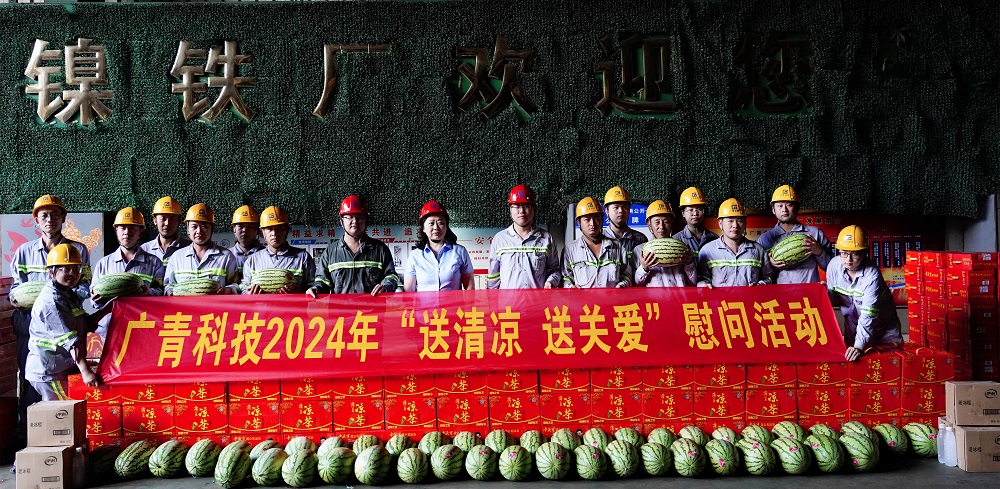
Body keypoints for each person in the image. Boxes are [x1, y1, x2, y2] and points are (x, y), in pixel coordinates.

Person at [8, 194, 91, 448]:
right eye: (44, 215)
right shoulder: (24, 252)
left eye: (55, 214)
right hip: (30, 323)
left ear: (64, 218)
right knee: (31, 384)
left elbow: (85, 285)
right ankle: (28, 441)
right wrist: (22, 300)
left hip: (63, 316)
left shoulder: (78, 250)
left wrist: (66, 297)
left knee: (57, 385)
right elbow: (15, 289)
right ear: (36, 220)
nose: (50, 219)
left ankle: (53, 444)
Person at [25, 244, 110, 400]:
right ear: (52, 272)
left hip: (60, 367)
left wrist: (109, 307)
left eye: (76, 269)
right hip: (50, 372)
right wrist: (85, 371)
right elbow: (70, 340)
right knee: (64, 411)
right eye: (66, 269)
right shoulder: (52, 301)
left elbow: (85, 323)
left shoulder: (67, 293)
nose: (73, 273)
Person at [826, 225, 903, 361]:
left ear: (864, 252)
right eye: (844, 253)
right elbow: (833, 299)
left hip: (884, 334)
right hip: (853, 331)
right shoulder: (833, 266)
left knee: (886, 369)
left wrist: (859, 346)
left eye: (855, 254)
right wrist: (824, 293)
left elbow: (868, 315)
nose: (848, 259)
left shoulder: (872, 275)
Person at [91, 207, 165, 337]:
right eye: (123, 228)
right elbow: (94, 301)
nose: (127, 232)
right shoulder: (104, 263)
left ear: (140, 232)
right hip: (110, 330)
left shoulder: (155, 263)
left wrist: (148, 292)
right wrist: (96, 299)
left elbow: (161, 293)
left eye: (132, 228)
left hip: (142, 328)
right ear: (116, 230)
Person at [308, 195, 398, 297]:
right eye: (349, 217)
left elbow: (391, 275)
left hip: (372, 307)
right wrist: (316, 288)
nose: (355, 221)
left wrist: (386, 286)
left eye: (360, 217)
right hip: (340, 308)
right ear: (341, 220)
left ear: (366, 220)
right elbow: (322, 281)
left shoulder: (380, 249)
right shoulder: (330, 252)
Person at [487, 184, 561, 289]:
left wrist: (551, 281)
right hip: (508, 300)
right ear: (510, 210)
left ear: (533, 209)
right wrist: (491, 298)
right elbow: (493, 278)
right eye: (517, 206)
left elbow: (555, 270)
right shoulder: (500, 239)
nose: (521, 211)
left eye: (526, 206)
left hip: (537, 299)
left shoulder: (546, 239)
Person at [757, 184, 835, 284]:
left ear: (797, 207)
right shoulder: (765, 239)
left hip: (808, 292)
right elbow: (758, 274)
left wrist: (819, 251)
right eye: (780, 206)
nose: (784, 210)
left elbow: (833, 268)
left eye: (789, 205)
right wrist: (768, 264)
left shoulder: (815, 233)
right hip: (779, 293)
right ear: (773, 210)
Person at [163, 204, 240, 295]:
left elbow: (235, 284)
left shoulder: (226, 256)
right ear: (188, 229)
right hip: (183, 305)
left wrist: (229, 289)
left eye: (204, 226)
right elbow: (168, 285)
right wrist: (170, 292)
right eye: (194, 226)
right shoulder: (177, 257)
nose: (199, 231)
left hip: (214, 304)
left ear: (212, 228)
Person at [697, 198, 772, 288]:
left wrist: (761, 284)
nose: (735, 225)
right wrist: (703, 284)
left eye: (739, 220)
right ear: (720, 224)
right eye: (730, 221)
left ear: (745, 223)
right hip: (721, 298)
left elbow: (768, 277)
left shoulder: (758, 250)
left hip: (750, 298)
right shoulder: (707, 250)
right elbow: (702, 278)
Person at [403, 200, 474, 292]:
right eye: (431, 223)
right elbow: (408, 291)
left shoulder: (460, 252)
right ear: (423, 228)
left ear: (446, 226)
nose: (436, 227)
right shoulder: (415, 255)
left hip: (453, 302)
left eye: (441, 223)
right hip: (424, 302)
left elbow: (470, 287)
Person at [242, 206, 315, 294]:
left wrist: (300, 291)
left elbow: (313, 286)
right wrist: (248, 292)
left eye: (279, 228)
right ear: (262, 232)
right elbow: (243, 289)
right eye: (269, 229)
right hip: (261, 304)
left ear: (286, 230)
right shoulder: (252, 260)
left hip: (293, 303)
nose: (274, 233)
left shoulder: (303, 257)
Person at [562, 197, 631, 288]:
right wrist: (571, 287)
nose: (592, 224)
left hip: (612, 297)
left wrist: (621, 286)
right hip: (582, 298)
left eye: (596, 218)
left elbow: (627, 275)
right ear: (579, 223)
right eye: (587, 219)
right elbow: (566, 278)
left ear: (602, 220)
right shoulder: (570, 250)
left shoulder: (617, 246)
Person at [634, 200, 696, 287]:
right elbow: (636, 285)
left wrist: (689, 264)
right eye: (657, 222)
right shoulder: (639, 250)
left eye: (666, 221)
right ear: (649, 224)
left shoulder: (683, 249)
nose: (661, 227)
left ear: (671, 223)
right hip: (656, 297)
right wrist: (644, 268)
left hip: (681, 296)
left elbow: (693, 283)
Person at [140, 196, 191, 268]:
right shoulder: (144, 249)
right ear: (155, 220)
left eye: (172, 219)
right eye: (163, 219)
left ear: (179, 221)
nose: (167, 223)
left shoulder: (190, 248)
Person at [603, 185, 647, 265]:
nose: (621, 211)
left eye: (624, 207)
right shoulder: (600, 239)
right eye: (616, 207)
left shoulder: (640, 239)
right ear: (607, 210)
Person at [673, 186, 719, 257]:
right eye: (690, 210)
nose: (695, 214)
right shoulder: (676, 240)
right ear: (683, 213)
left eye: (699, 209)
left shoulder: (714, 238)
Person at [229, 205, 264, 280]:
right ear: (234, 229)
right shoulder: (226, 256)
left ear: (257, 230)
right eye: (241, 226)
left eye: (250, 227)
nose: (245, 230)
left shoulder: (267, 256)